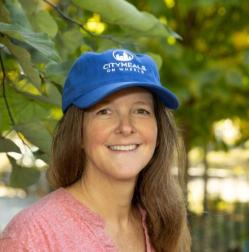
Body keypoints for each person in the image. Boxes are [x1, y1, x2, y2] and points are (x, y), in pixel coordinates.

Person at [0, 49, 191, 251]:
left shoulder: (163, 226)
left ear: (159, 130)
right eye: (104, 111)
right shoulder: (32, 236)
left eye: (141, 110)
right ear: (78, 132)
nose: (126, 127)